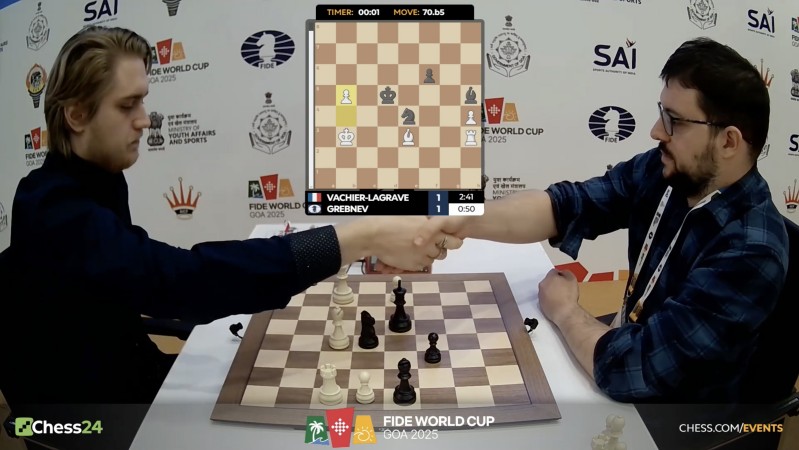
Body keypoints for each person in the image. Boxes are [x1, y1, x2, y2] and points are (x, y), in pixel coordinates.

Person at [0, 26, 460, 449]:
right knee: (308, 432)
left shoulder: (94, 180)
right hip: (85, 420)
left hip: (130, 375)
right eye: (127, 105)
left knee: (298, 405)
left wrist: (355, 246)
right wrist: (358, 237)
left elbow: (134, 274)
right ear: (77, 114)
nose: (145, 120)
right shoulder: (55, 210)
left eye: (143, 102)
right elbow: (182, 281)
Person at [413, 38, 789, 406]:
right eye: (662, 113)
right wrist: (461, 217)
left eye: (674, 121)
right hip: (627, 346)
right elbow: (567, 206)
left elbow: (635, 369)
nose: (656, 131)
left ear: (728, 142)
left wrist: (566, 311)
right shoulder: (668, 172)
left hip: (679, 414)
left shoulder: (752, 249)